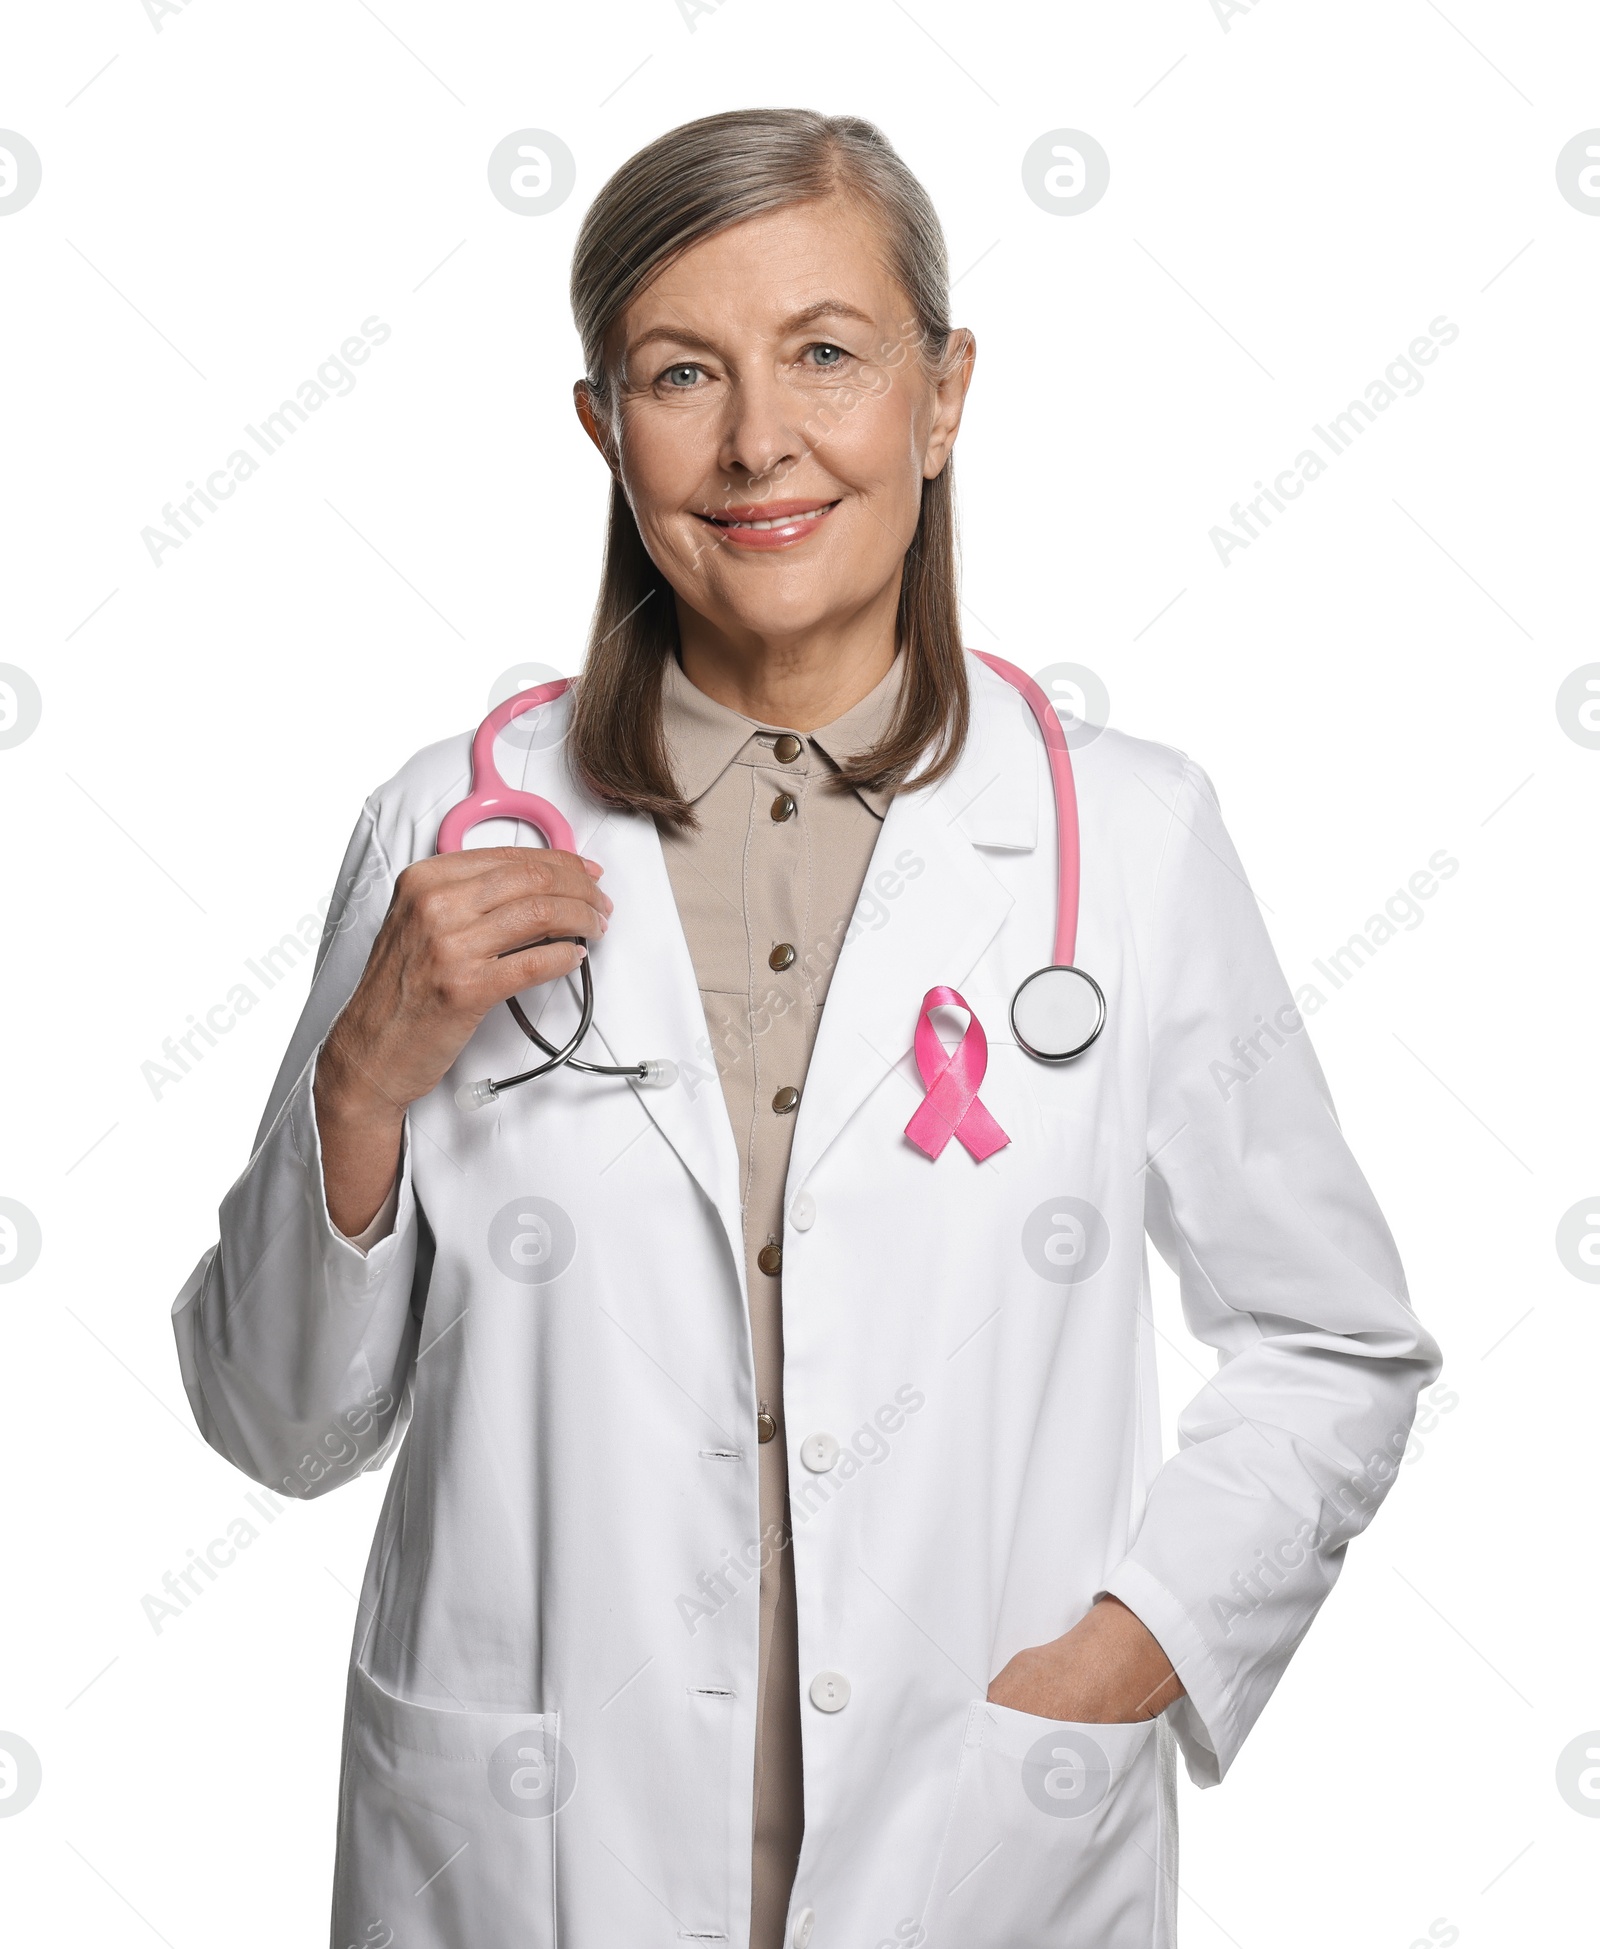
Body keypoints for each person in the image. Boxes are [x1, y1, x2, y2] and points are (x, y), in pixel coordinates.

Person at [172, 108, 1440, 1949]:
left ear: (941, 396)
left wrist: (1135, 1649)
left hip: (981, 1844)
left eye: (828, 356)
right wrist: (365, 1078)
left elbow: (1335, 1340)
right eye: (685, 373)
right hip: (529, 1863)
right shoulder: (443, 832)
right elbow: (276, 1423)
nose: (760, 441)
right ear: (608, 431)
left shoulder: (1130, 844)